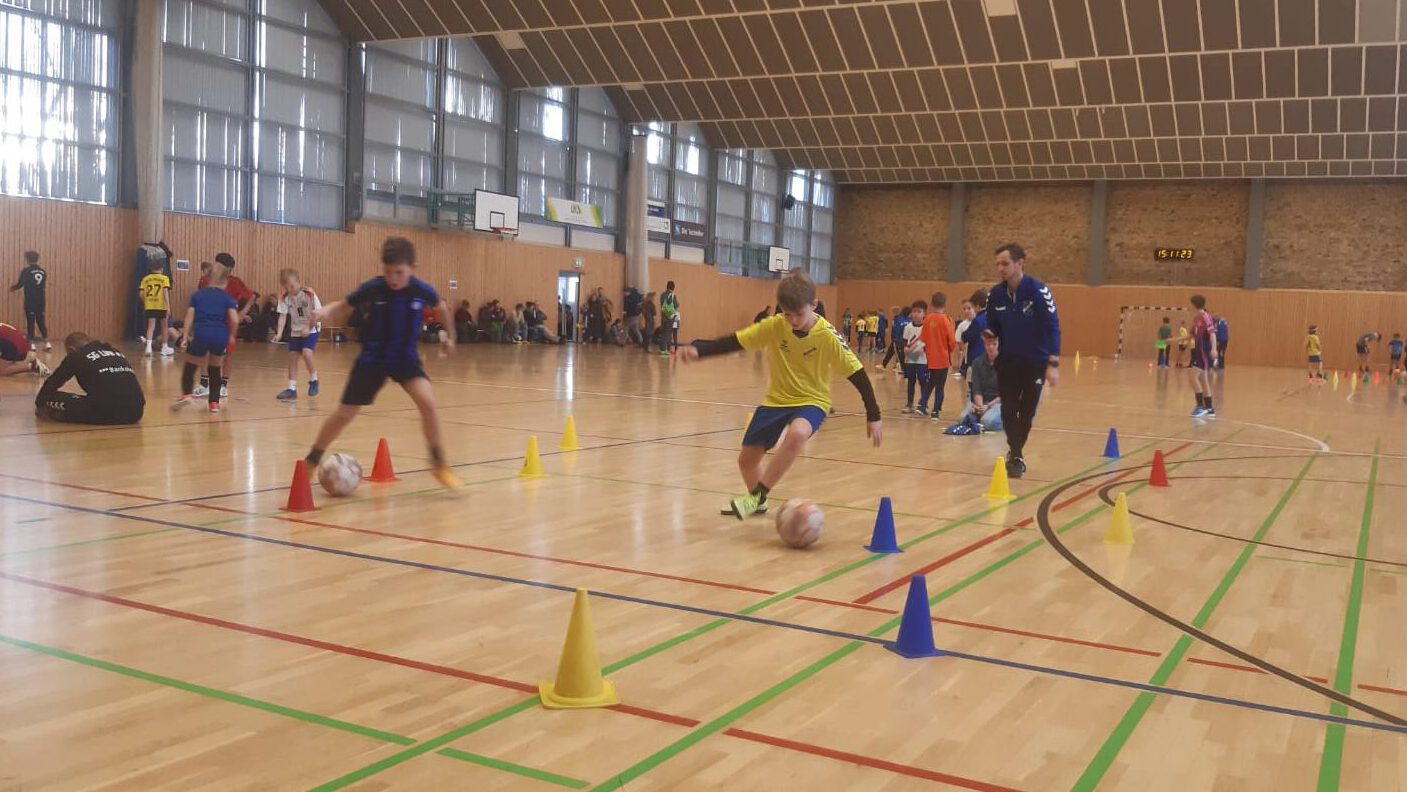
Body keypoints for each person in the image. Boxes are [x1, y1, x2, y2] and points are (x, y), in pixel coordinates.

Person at [674, 269, 881, 519]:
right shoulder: (774, 327)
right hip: (776, 400)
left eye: (799, 314)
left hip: (812, 400)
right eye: (787, 314)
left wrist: (873, 413)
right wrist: (699, 350)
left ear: (814, 304)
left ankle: (756, 497)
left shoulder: (827, 336)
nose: (792, 320)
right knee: (747, 461)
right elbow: (736, 341)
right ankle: (758, 503)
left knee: (798, 434)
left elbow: (857, 373)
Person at [304, 237, 461, 489]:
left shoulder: (421, 290)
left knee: (429, 405)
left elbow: (442, 308)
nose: (393, 278)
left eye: (399, 273)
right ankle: (312, 460)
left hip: (405, 360)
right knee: (344, 414)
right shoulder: (374, 288)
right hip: (373, 360)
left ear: (412, 268)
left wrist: (450, 337)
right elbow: (343, 305)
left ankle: (438, 463)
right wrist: (325, 311)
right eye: (388, 272)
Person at [985, 243, 1061, 479]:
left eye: (1005, 263)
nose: (1000, 268)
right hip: (1007, 361)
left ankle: (1015, 451)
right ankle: (1016, 455)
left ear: (1020, 264)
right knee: (1009, 409)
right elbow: (992, 327)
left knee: (1026, 411)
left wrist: (1053, 363)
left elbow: (1052, 327)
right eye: (997, 264)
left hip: (1035, 362)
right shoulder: (995, 294)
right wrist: (990, 345)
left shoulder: (1039, 291)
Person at [35, 332, 144, 424]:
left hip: (106, 412)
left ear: (71, 350)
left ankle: (66, 416)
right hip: (136, 412)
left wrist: (39, 404)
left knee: (52, 397)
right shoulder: (115, 351)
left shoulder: (76, 356)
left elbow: (53, 383)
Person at [172, 261, 238, 415]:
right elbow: (234, 320)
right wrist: (232, 336)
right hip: (220, 335)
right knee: (215, 368)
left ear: (208, 278)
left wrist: (185, 336)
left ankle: (187, 394)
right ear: (225, 281)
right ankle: (214, 403)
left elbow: (189, 317)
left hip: (202, 333)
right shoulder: (228, 298)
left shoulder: (198, 295)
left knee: (190, 365)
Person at [194, 252, 257, 399]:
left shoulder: (235, 282)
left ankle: (223, 386)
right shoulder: (205, 281)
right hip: (208, 322)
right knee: (205, 352)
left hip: (227, 324)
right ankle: (205, 384)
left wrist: (242, 313)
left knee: (226, 355)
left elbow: (252, 296)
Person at [273, 269, 322, 401]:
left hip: (312, 328)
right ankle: (292, 388)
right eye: (287, 287)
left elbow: (317, 314)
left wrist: (309, 327)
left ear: (299, 282)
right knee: (292, 357)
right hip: (296, 330)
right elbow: (282, 316)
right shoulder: (284, 297)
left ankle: (314, 380)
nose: (290, 289)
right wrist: (279, 333)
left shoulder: (309, 294)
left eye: (292, 286)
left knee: (306, 352)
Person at [947, 330, 1003, 434]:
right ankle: (980, 418)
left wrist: (988, 406)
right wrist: (980, 406)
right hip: (981, 402)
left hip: (999, 402)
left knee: (987, 422)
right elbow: (976, 388)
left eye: (994, 344)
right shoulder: (977, 362)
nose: (991, 347)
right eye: (988, 344)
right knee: (963, 419)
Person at [918, 291, 958, 420]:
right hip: (943, 358)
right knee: (940, 386)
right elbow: (952, 341)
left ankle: (922, 405)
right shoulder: (946, 320)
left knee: (931, 383)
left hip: (931, 358)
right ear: (945, 304)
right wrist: (949, 350)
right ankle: (935, 411)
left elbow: (923, 339)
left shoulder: (927, 319)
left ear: (931, 304)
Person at [10, 250, 49, 350]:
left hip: (30, 300)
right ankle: (47, 343)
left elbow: (21, 284)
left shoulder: (26, 271)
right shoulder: (43, 271)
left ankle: (32, 344)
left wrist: (13, 288)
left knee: (30, 321)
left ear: (27, 259)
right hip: (41, 300)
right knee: (41, 320)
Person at [1187, 295, 1219, 418]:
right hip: (1197, 352)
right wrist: (1172, 340)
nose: (1189, 306)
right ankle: (1210, 408)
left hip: (1203, 353)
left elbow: (1212, 334)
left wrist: (1214, 348)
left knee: (1192, 377)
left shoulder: (1205, 317)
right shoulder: (1196, 319)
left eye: (1190, 304)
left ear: (1194, 305)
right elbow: (1190, 336)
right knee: (1203, 380)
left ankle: (1200, 406)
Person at [138, 259, 174, 357]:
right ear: (162, 268)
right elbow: (165, 292)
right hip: (161, 306)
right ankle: (164, 347)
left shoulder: (145, 279)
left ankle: (148, 347)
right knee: (164, 327)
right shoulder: (164, 278)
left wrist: (146, 301)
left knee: (151, 327)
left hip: (150, 306)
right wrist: (168, 306)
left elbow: (141, 294)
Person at [902, 301, 928, 414]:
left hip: (923, 360)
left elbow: (930, 343)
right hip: (911, 359)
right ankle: (910, 404)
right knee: (911, 381)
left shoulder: (927, 327)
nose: (916, 314)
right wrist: (905, 349)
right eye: (914, 311)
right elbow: (904, 342)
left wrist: (925, 350)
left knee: (923, 381)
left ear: (924, 313)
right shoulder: (908, 327)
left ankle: (923, 404)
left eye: (919, 311)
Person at [880, 306, 910, 373]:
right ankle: (885, 364)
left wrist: (895, 339)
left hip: (899, 340)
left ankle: (902, 368)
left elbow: (896, 330)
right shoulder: (909, 320)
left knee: (900, 354)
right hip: (904, 340)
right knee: (896, 353)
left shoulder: (899, 319)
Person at [660, 281, 680, 354]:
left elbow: (662, 305)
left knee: (663, 333)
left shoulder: (662, 295)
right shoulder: (672, 295)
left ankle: (662, 349)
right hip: (670, 317)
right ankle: (664, 350)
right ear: (673, 287)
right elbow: (676, 305)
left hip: (663, 317)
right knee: (668, 333)